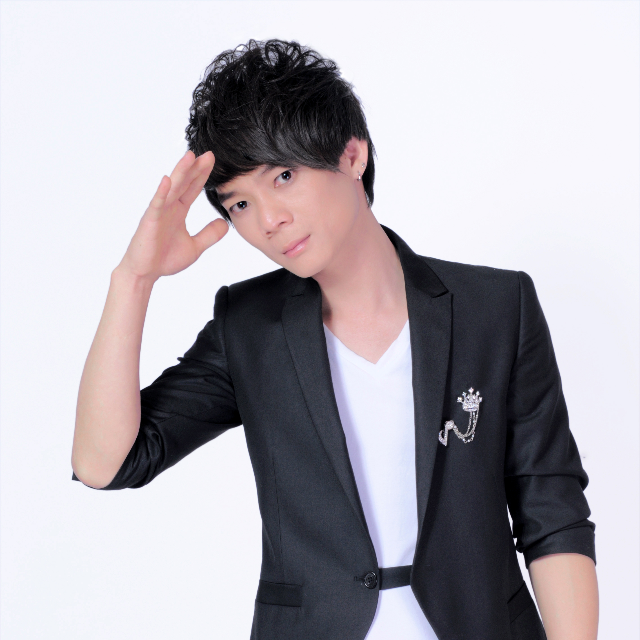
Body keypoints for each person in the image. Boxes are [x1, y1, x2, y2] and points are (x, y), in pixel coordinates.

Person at [70, 39, 598, 640]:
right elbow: (104, 463)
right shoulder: (248, 328)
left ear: (352, 154)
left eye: (284, 176)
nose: (268, 220)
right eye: (239, 203)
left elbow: (551, 511)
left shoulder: (496, 308)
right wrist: (134, 280)